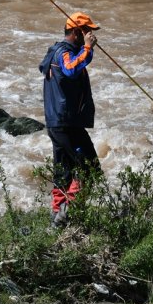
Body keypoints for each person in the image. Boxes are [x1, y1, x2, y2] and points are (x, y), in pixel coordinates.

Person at [38, 11, 102, 227]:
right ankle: (66, 213)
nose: (91, 35)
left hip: (60, 122)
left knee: (63, 170)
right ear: (77, 32)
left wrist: (86, 50)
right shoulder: (62, 52)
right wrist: (87, 48)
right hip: (65, 123)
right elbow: (71, 69)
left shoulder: (62, 50)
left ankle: (57, 217)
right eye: (88, 31)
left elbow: (76, 65)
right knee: (91, 170)